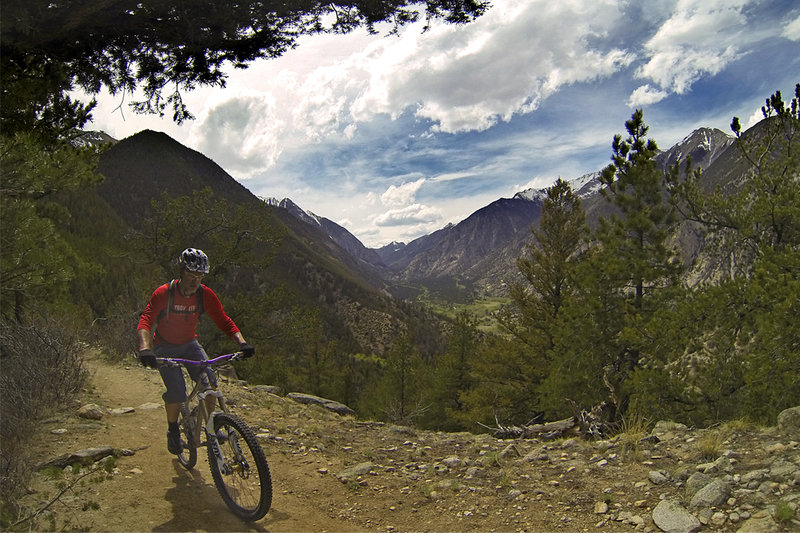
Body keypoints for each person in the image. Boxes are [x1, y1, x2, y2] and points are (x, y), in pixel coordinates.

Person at [137, 248, 254, 455]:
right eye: (191, 276)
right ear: (181, 272)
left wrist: (242, 343)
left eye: (199, 277)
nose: (195, 281)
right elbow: (146, 320)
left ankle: (212, 426)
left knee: (210, 382)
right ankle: (173, 429)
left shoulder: (204, 295)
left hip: (190, 344)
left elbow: (224, 321)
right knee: (177, 392)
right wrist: (145, 349)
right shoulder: (165, 293)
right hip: (165, 346)